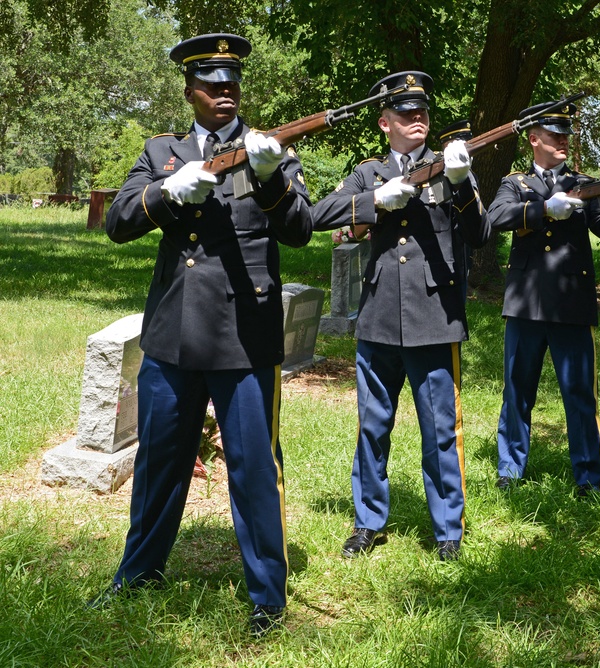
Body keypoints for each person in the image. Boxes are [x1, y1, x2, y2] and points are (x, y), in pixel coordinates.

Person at [90, 33, 313, 638]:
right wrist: (167, 191)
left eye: (231, 84)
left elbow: (300, 230)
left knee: (253, 469)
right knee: (160, 462)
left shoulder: (270, 150)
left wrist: (268, 178)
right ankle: (137, 577)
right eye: (211, 85)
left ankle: (267, 597)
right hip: (174, 332)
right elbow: (117, 223)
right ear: (190, 91)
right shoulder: (161, 150)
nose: (223, 93)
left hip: (245, 335)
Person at [311, 72, 489, 561]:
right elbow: (319, 214)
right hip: (381, 317)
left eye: (423, 113)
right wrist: (374, 202)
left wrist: (460, 182)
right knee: (372, 426)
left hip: (435, 317)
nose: (418, 120)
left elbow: (481, 234)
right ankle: (368, 521)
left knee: (440, 430)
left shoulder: (450, 165)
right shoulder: (368, 173)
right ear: (384, 122)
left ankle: (448, 529)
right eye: (407, 114)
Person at [488, 100, 600, 496]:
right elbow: (496, 218)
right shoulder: (515, 183)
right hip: (526, 302)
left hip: (571, 303)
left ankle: (588, 476)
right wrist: (544, 208)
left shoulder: (583, 183)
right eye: (554, 135)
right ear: (533, 139)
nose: (562, 141)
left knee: (580, 394)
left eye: (566, 135)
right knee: (517, 390)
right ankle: (510, 468)